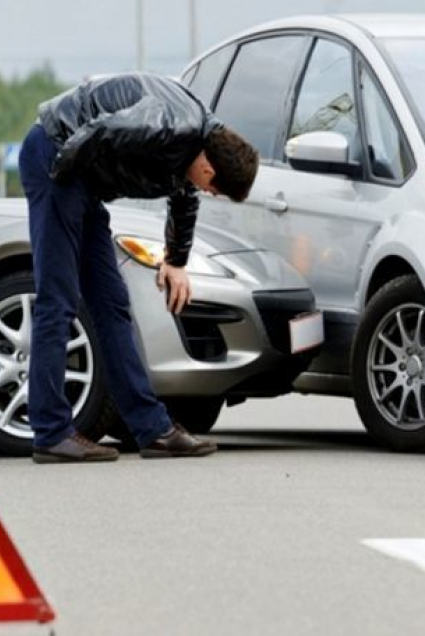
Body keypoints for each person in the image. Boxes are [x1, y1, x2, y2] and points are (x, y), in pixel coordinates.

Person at [18, 73, 259, 463]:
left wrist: (176, 261)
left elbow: (184, 197)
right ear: (209, 169)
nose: (207, 192)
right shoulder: (166, 125)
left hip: (83, 178)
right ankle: (51, 432)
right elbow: (99, 131)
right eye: (214, 189)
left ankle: (153, 430)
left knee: (112, 302)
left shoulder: (200, 142)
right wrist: (61, 180)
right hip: (57, 156)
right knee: (58, 298)